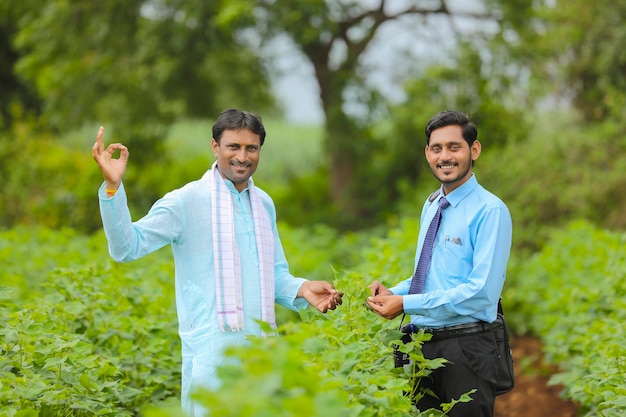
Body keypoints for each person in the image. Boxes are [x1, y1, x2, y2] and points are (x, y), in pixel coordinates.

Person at [92, 108, 343, 415]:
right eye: (233, 147)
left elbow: (272, 274)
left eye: (251, 148)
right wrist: (112, 187)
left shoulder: (263, 203)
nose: (242, 156)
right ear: (215, 147)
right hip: (212, 357)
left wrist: (303, 288)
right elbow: (126, 248)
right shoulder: (186, 201)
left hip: (263, 355)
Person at [366, 110, 512, 417]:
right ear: (427, 154)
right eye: (437, 148)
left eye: (454, 147)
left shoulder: (490, 211)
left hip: (468, 348)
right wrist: (393, 293)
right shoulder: (432, 204)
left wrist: (406, 304)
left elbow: (481, 292)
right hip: (422, 345)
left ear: (474, 150)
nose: (444, 156)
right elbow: (430, 277)